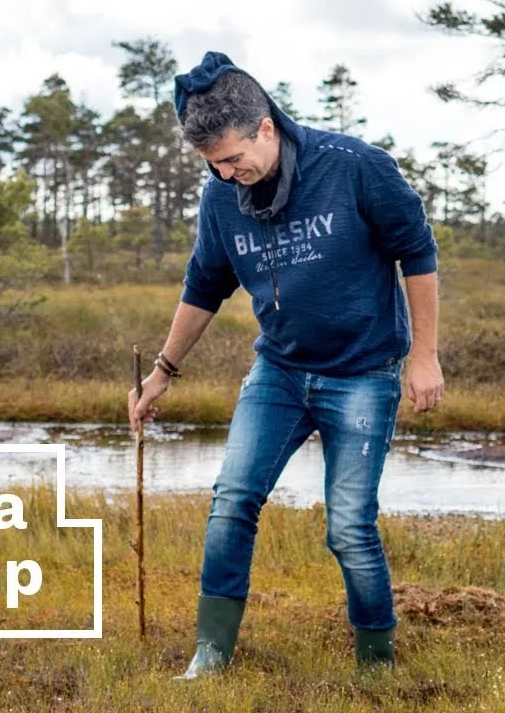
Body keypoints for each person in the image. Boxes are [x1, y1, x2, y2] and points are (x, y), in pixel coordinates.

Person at [127, 51, 444, 679]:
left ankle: (377, 661)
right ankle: (211, 653)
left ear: (266, 126)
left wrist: (424, 357)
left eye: (233, 157)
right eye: (213, 165)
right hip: (279, 373)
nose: (226, 173)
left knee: (349, 527)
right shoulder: (221, 198)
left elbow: (418, 252)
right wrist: (162, 370)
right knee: (232, 500)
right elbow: (204, 285)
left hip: (362, 372)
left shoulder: (356, 168)